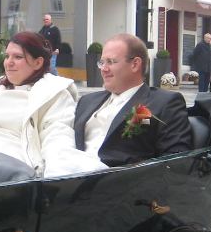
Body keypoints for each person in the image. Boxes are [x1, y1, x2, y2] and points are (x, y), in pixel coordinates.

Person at [0, 31, 104, 177]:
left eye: (18, 57)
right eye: (7, 56)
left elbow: (57, 137)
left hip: (8, 169)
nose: (9, 62)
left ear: (38, 63)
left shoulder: (53, 94)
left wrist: (57, 178)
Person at [75, 33, 192, 166]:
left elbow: (176, 163)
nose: (104, 69)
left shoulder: (164, 103)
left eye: (111, 62)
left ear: (135, 64)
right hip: (67, 171)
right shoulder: (86, 101)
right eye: (102, 62)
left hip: (115, 176)